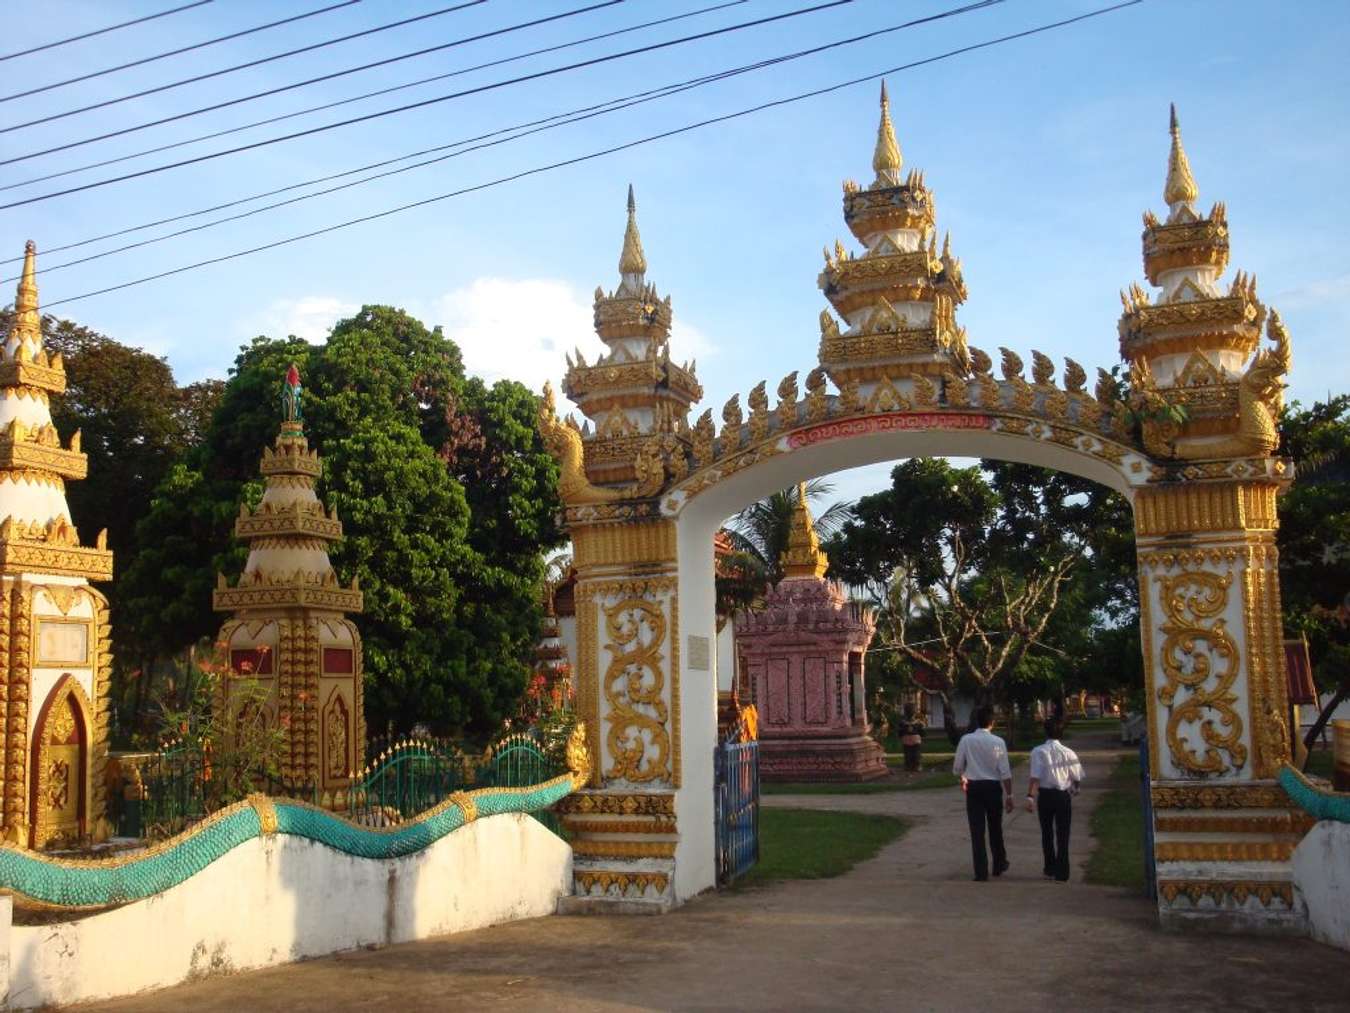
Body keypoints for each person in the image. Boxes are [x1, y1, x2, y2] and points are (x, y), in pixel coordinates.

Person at [953, 705, 1012, 882]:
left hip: (974, 788)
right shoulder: (998, 742)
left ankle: (980, 871)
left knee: (977, 830)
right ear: (992, 723)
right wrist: (1009, 795)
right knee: (995, 827)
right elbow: (1005, 772)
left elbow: (957, 767)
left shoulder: (966, 740)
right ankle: (999, 863)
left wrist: (963, 777)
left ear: (976, 722)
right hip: (993, 787)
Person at [1025, 717, 1085, 882]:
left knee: (1047, 833)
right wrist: (1075, 788)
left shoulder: (1038, 751)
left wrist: (1030, 796)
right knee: (1063, 834)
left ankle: (1049, 868)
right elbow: (1077, 776)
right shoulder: (1068, 752)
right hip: (1062, 796)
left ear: (1045, 732)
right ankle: (1062, 873)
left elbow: (1035, 777)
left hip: (1045, 795)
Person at [898, 704, 924, 772]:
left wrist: (900, 736)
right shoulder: (918, 722)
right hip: (916, 739)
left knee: (907, 754)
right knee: (916, 753)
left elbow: (900, 732)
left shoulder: (902, 723)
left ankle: (908, 766)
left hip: (906, 739)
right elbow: (922, 732)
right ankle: (916, 765)